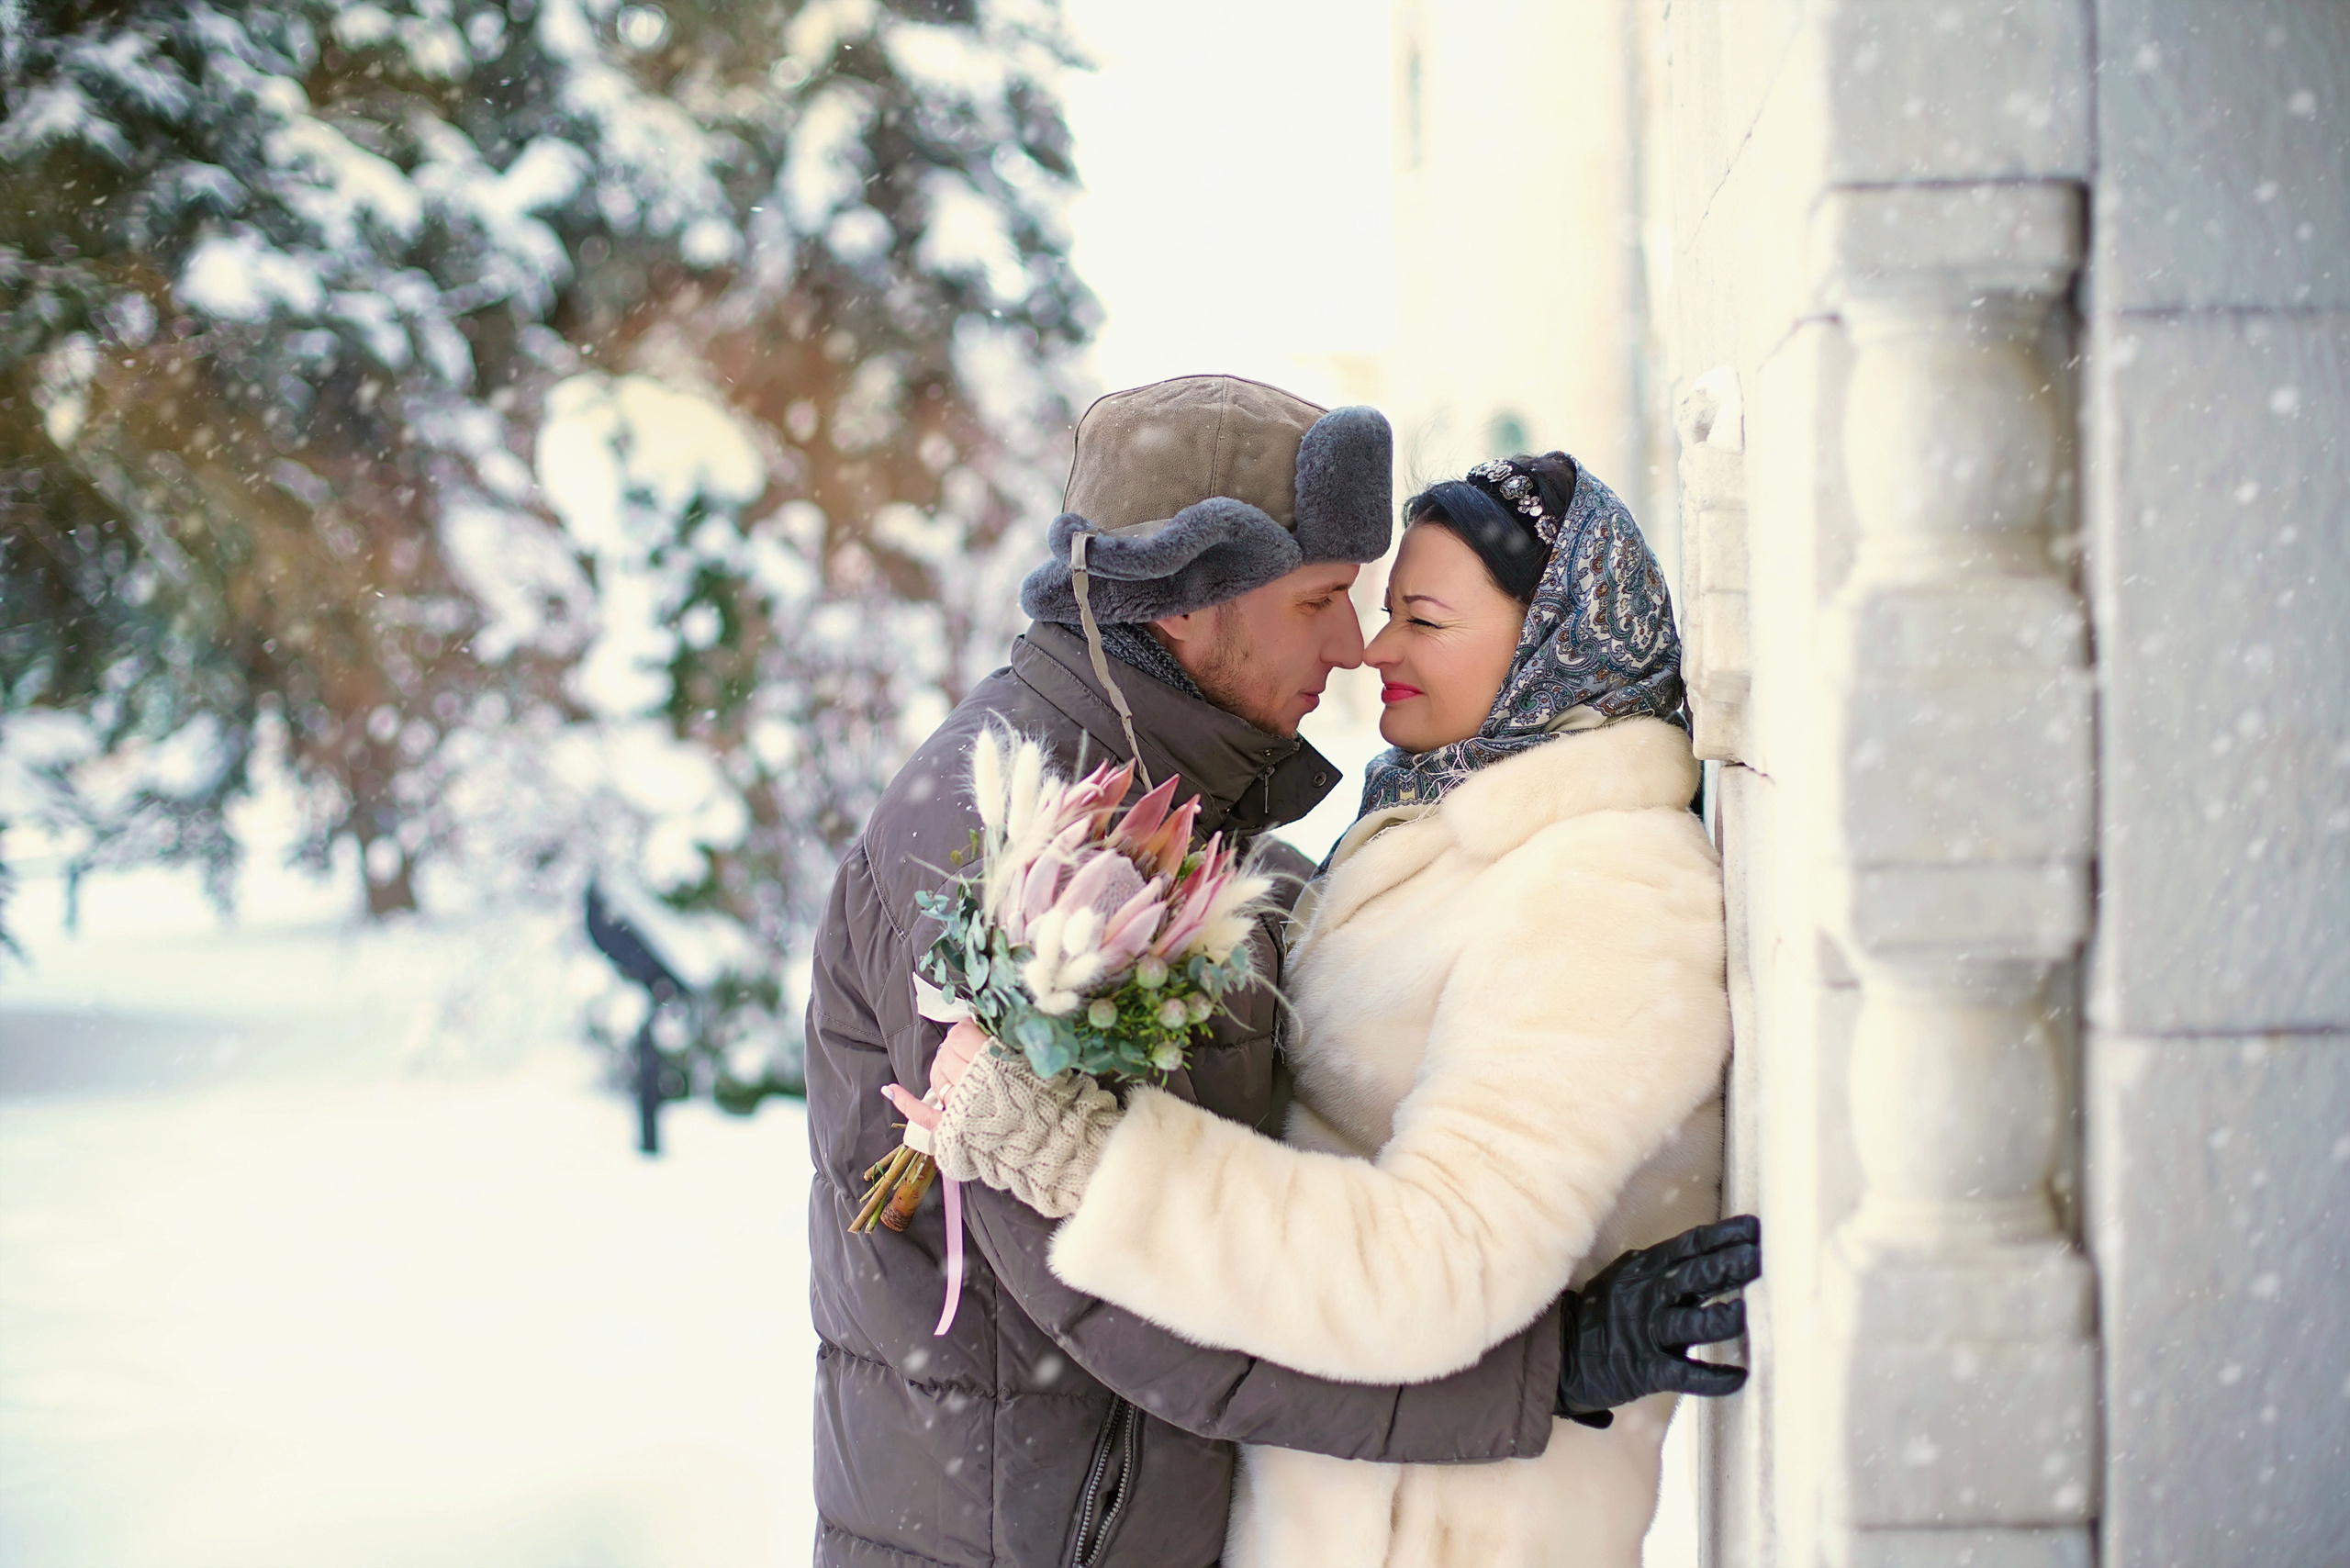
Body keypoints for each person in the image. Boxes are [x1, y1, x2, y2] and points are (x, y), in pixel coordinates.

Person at [807, 376, 1751, 1568]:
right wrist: (1545, 1372)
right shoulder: (1005, 846)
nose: (1356, 647)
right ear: (1199, 602)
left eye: (1404, 612)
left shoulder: (1181, 814)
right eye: (1325, 600)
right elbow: (1129, 1313)